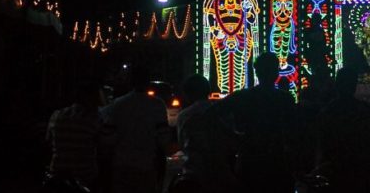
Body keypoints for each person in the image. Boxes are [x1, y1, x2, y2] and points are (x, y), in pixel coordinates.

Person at [213, 52, 297, 193]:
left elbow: (212, 115)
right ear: (276, 72)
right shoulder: (285, 99)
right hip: (277, 160)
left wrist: (234, 136)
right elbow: (294, 130)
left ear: (257, 72)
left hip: (250, 158)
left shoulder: (242, 97)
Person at [100, 63, 170, 193]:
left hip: (122, 165)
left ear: (130, 81)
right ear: (148, 81)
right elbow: (163, 139)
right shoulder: (157, 105)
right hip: (147, 165)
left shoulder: (118, 104)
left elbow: (108, 138)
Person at [316, 68, 370, 193]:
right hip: (361, 169)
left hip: (335, 169)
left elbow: (322, 143)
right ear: (354, 86)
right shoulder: (365, 110)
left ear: (337, 85)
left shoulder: (328, 111)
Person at [172, 74, 234, 193]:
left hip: (193, 173)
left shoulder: (185, 115)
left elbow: (182, 143)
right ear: (208, 91)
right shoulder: (223, 112)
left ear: (188, 94)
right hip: (221, 171)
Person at [46, 80, 103, 190]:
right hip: (84, 176)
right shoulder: (94, 119)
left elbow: (48, 141)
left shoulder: (56, 115)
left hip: (57, 174)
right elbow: (102, 147)